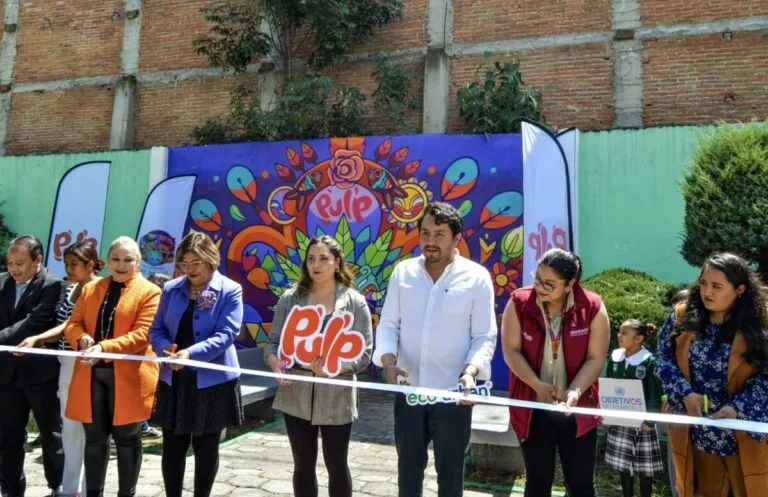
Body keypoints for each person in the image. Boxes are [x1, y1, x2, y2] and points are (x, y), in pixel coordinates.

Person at [374, 202, 497, 497]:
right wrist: (389, 362)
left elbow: (484, 336)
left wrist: (470, 372)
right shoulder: (403, 273)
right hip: (410, 391)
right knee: (408, 469)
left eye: (439, 234)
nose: (430, 241)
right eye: (425, 233)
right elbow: (389, 324)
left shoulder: (476, 277)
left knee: (450, 472)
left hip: (453, 395)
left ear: (456, 239)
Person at [264, 235, 373, 497]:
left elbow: (365, 355)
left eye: (324, 258)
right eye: (311, 258)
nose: (317, 265)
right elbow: (272, 344)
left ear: (337, 263)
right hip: (295, 392)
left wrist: (335, 368)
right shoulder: (290, 299)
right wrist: (275, 364)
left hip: (337, 393)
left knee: (336, 464)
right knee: (303, 463)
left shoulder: (355, 303)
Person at [656, 253, 768, 496]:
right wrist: (685, 394)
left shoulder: (762, 323)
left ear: (739, 290)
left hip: (745, 440)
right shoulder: (682, 316)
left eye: (717, 286)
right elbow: (664, 361)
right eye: (704, 283)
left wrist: (737, 409)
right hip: (697, 438)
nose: (707, 292)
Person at [501, 247, 610, 497]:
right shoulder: (519, 302)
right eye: (537, 278)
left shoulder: (592, 306)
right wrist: (538, 385)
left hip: (578, 408)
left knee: (581, 485)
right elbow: (511, 352)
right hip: (534, 407)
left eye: (549, 284)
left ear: (570, 284)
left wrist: (575, 391)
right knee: (537, 483)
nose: (540, 287)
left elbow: (595, 358)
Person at [63, 236, 161, 497]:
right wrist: (81, 338)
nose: (121, 264)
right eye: (116, 259)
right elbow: (73, 324)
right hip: (90, 374)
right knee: (94, 440)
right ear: (106, 262)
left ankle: (126, 494)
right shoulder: (91, 289)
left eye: (128, 260)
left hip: (128, 378)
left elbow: (142, 335)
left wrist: (103, 348)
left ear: (138, 262)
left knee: (128, 439)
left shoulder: (150, 292)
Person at [150, 233, 244, 497]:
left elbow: (227, 334)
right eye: (184, 264)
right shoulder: (171, 289)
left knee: (206, 447)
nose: (189, 270)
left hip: (212, 382)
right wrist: (165, 349)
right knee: (172, 446)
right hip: (175, 378)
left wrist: (190, 355)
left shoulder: (230, 290)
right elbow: (156, 329)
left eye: (196, 263)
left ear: (211, 261)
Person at [16, 241, 103, 497]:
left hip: (89, 365)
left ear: (90, 264)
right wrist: (40, 339)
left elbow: (70, 326)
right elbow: (62, 327)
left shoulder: (100, 290)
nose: (69, 269)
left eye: (74, 264)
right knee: (69, 428)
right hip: (65, 363)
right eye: (66, 264)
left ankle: (90, 489)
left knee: (91, 433)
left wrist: (39, 338)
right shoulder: (70, 288)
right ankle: (69, 488)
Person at [0, 235, 65, 497]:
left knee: (52, 435)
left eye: (20, 263)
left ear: (37, 260)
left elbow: (33, 322)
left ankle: (57, 486)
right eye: (10, 262)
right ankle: (11, 490)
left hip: (40, 375)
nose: (14, 268)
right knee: (8, 437)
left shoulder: (53, 284)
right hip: (6, 374)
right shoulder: (2, 282)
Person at [603, 320, 664, 497]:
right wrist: (607, 415)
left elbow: (654, 393)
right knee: (623, 466)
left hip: (642, 424)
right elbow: (608, 387)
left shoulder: (649, 361)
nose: (619, 336)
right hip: (620, 421)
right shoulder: (615, 357)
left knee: (645, 469)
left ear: (638, 338)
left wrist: (650, 420)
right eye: (619, 332)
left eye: (624, 333)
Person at [657, 288, 688, 497]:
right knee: (679, 479)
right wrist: (684, 393)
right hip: (679, 415)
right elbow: (663, 364)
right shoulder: (673, 329)